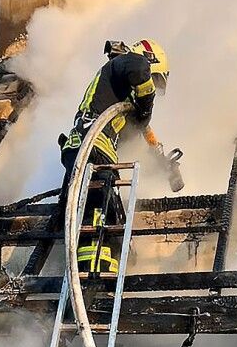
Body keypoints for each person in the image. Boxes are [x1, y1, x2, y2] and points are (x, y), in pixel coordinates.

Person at [57, 39, 170, 274]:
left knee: (107, 211)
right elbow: (138, 69)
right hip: (93, 148)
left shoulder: (115, 93)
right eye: (154, 78)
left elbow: (142, 132)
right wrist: (146, 105)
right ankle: (94, 274)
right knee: (100, 213)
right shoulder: (125, 62)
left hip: (84, 150)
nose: (151, 85)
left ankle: (102, 268)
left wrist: (160, 159)